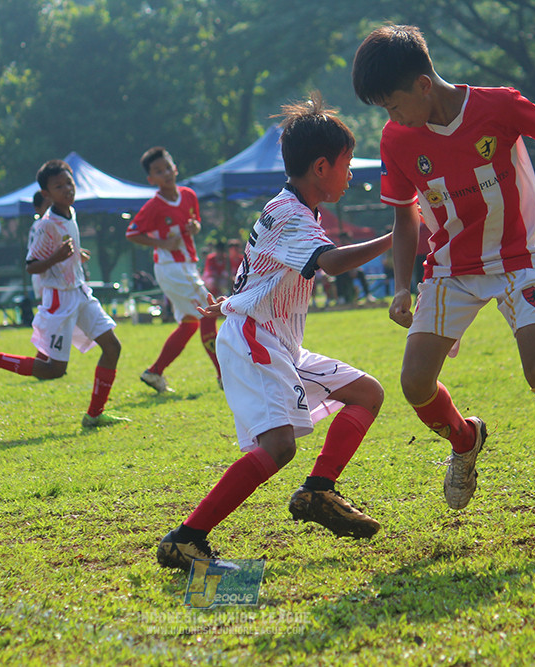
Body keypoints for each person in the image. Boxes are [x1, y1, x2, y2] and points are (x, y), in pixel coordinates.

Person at [352, 24, 535, 549]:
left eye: (392, 103)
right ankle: (465, 440)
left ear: (424, 84)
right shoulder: (397, 138)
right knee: (414, 385)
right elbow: (405, 216)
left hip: (518, 259)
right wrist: (402, 286)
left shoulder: (499, 105)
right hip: (449, 267)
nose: (390, 117)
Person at [156, 93, 395, 571]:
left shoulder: (292, 208)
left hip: (277, 342)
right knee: (279, 446)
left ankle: (319, 492)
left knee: (367, 393)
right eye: (347, 165)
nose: (351, 175)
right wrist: (398, 236)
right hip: (255, 341)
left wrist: (232, 299)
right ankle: (185, 539)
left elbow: (263, 270)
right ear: (322, 167)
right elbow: (330, 264)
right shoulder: (291, 214)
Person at [0, 159, 129, 429]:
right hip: (59, 301)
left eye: (69, 183)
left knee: (112, 347)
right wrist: (58, 257)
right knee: (53, 370)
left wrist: (75, 258)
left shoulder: (71, 213)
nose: (67, 189)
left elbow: (64, 255)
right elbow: (32, 266)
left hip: (80, 293)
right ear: (46, 194)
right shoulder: (45, 225)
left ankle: (94, 414)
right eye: (59, 186)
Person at [126, 146, 221, 393]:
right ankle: (225, 376)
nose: (166, 173)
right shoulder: (153, 206)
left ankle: (154, 372)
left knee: (190, 323)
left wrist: (195, 227)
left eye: (168, 167)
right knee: (208, 311)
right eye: (158, 171)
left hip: (187, 264)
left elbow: (195, 224)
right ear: (151, 180)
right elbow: (132, 233)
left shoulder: (188, 195)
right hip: (171, 267)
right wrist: (161, 243)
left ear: (175, 168)